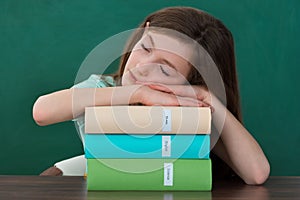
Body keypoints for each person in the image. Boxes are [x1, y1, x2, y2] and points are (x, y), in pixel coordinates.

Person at [33, 6, 270, 185]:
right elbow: (42, 112)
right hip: (106, 182)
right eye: (145, 48)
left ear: (191, 81)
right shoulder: (103, 88)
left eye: (165, 69)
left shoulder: (186, 111)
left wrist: (206, 97)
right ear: (142, 34)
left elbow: (256, 173)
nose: (142, 66)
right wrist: (139, 92)